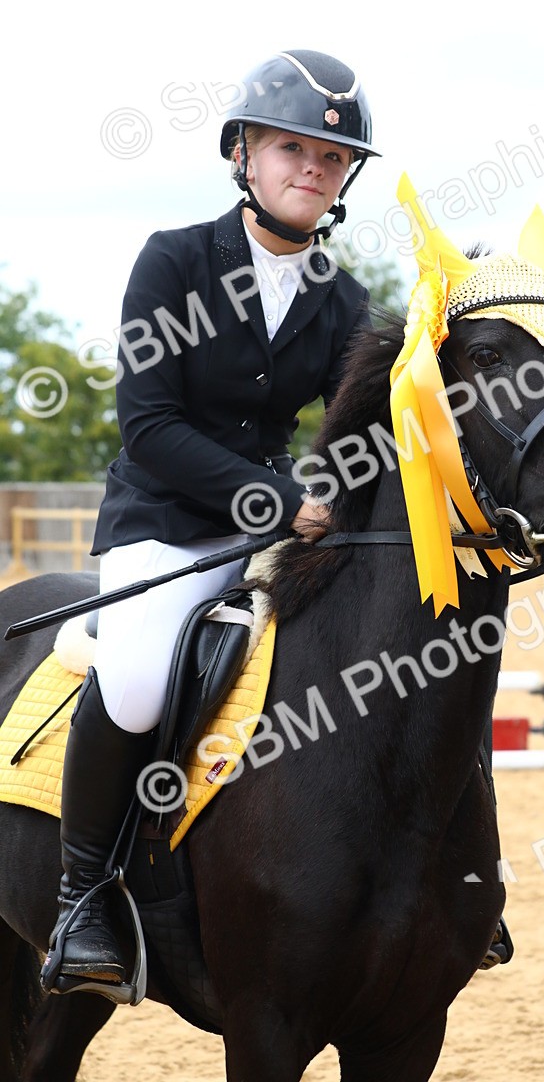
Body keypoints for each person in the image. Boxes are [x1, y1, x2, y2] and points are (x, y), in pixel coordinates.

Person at [42, 49, 378, 995]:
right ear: (243, 155)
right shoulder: (175, 260)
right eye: (292, 148)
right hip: (164, 520)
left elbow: (369, 428)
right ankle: (82, 897)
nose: (314, 167)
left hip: (274, 531)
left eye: (333, 156)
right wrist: (279, 501)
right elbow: (148, 427)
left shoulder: (345, 301)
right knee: (138, 682)